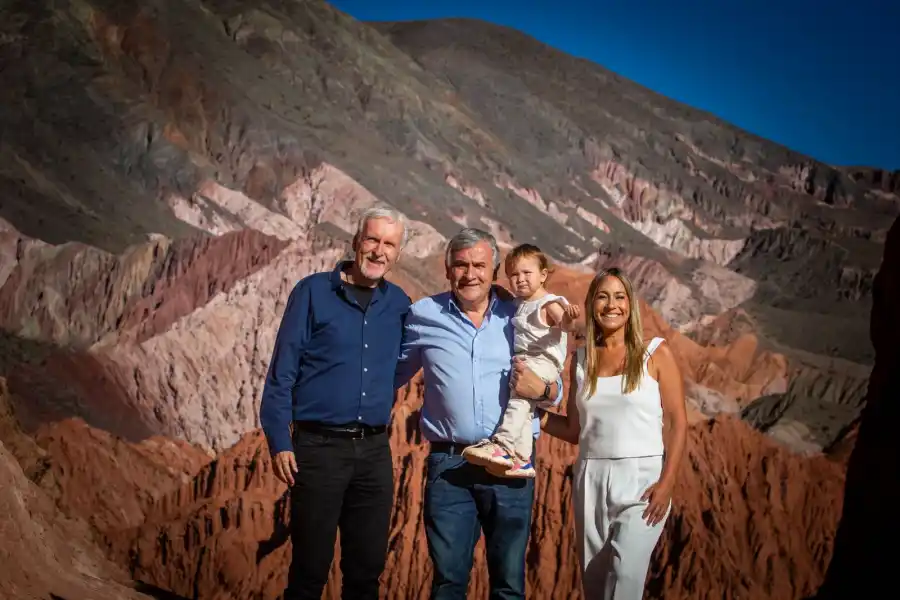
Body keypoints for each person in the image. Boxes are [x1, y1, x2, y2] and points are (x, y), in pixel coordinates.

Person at [394, 228, 565, 600]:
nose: (470, 274)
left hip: (511, 463)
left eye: (479, 265)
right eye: (461, 265)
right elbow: (390, 374)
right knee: (449, 581)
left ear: (495, 270)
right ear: (447, 268)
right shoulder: (424, 315)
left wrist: (547, 391)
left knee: (508, 584)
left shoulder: (519, 315)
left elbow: (554, 381)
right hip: (450, 464)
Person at [258, 207, 411, 600]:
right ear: (357, 242)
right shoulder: (312, 292)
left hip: (375, 452)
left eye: (389, 244)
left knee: (365, 572)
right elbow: (282, 373)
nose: (379, 251)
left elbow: (403, 366)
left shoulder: (398, 304)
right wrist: (280, 440)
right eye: (373, 240)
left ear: (398, 253)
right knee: (310, 570)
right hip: (319, 449)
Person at [537, 267, 688, 600]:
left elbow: (678, 421)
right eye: (602, 297)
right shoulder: (581, 360)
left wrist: (668, 482)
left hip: (642, 483)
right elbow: (574, 431)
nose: (611, 305)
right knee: (596, 586)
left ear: (630, 305)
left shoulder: (655, 353)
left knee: (624, 575)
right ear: (592, 305)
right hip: (591, 480)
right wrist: (532, 414)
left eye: (620, 296)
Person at [461, 243, 581, 478]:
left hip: (542, 362)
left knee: (518, 400)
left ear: (543, 275)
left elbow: (565, 325)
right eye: (514, 275)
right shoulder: (520, 303)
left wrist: (569, 319)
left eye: (527, 273)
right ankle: (522, 459)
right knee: (526, 410)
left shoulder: (549, 303)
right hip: (528, 361)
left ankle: (503, 444)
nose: (520, 279)